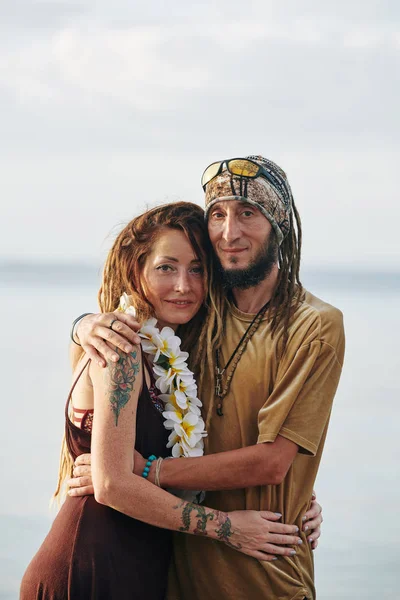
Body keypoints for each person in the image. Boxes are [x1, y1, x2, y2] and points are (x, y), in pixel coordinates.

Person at [71, 156, 344, 600]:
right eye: (218, 214)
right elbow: (111, 344)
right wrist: (83, 324)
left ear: (278, 223)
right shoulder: (199, 312)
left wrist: (145, 471)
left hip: (267, 576)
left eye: (247, 213)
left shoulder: (315, 325)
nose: (229, 231)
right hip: (177, 574)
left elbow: (273, 462)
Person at [20, 202, 306, 600]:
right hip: (92, 567)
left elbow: (218, 452)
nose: (183, 286)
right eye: (166, 268)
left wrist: (295, 500)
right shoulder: (119, 348)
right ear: (135, 269)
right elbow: (111, 484)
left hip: (146, 567)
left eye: (197, 270)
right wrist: (229, 528)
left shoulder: (179, 359)